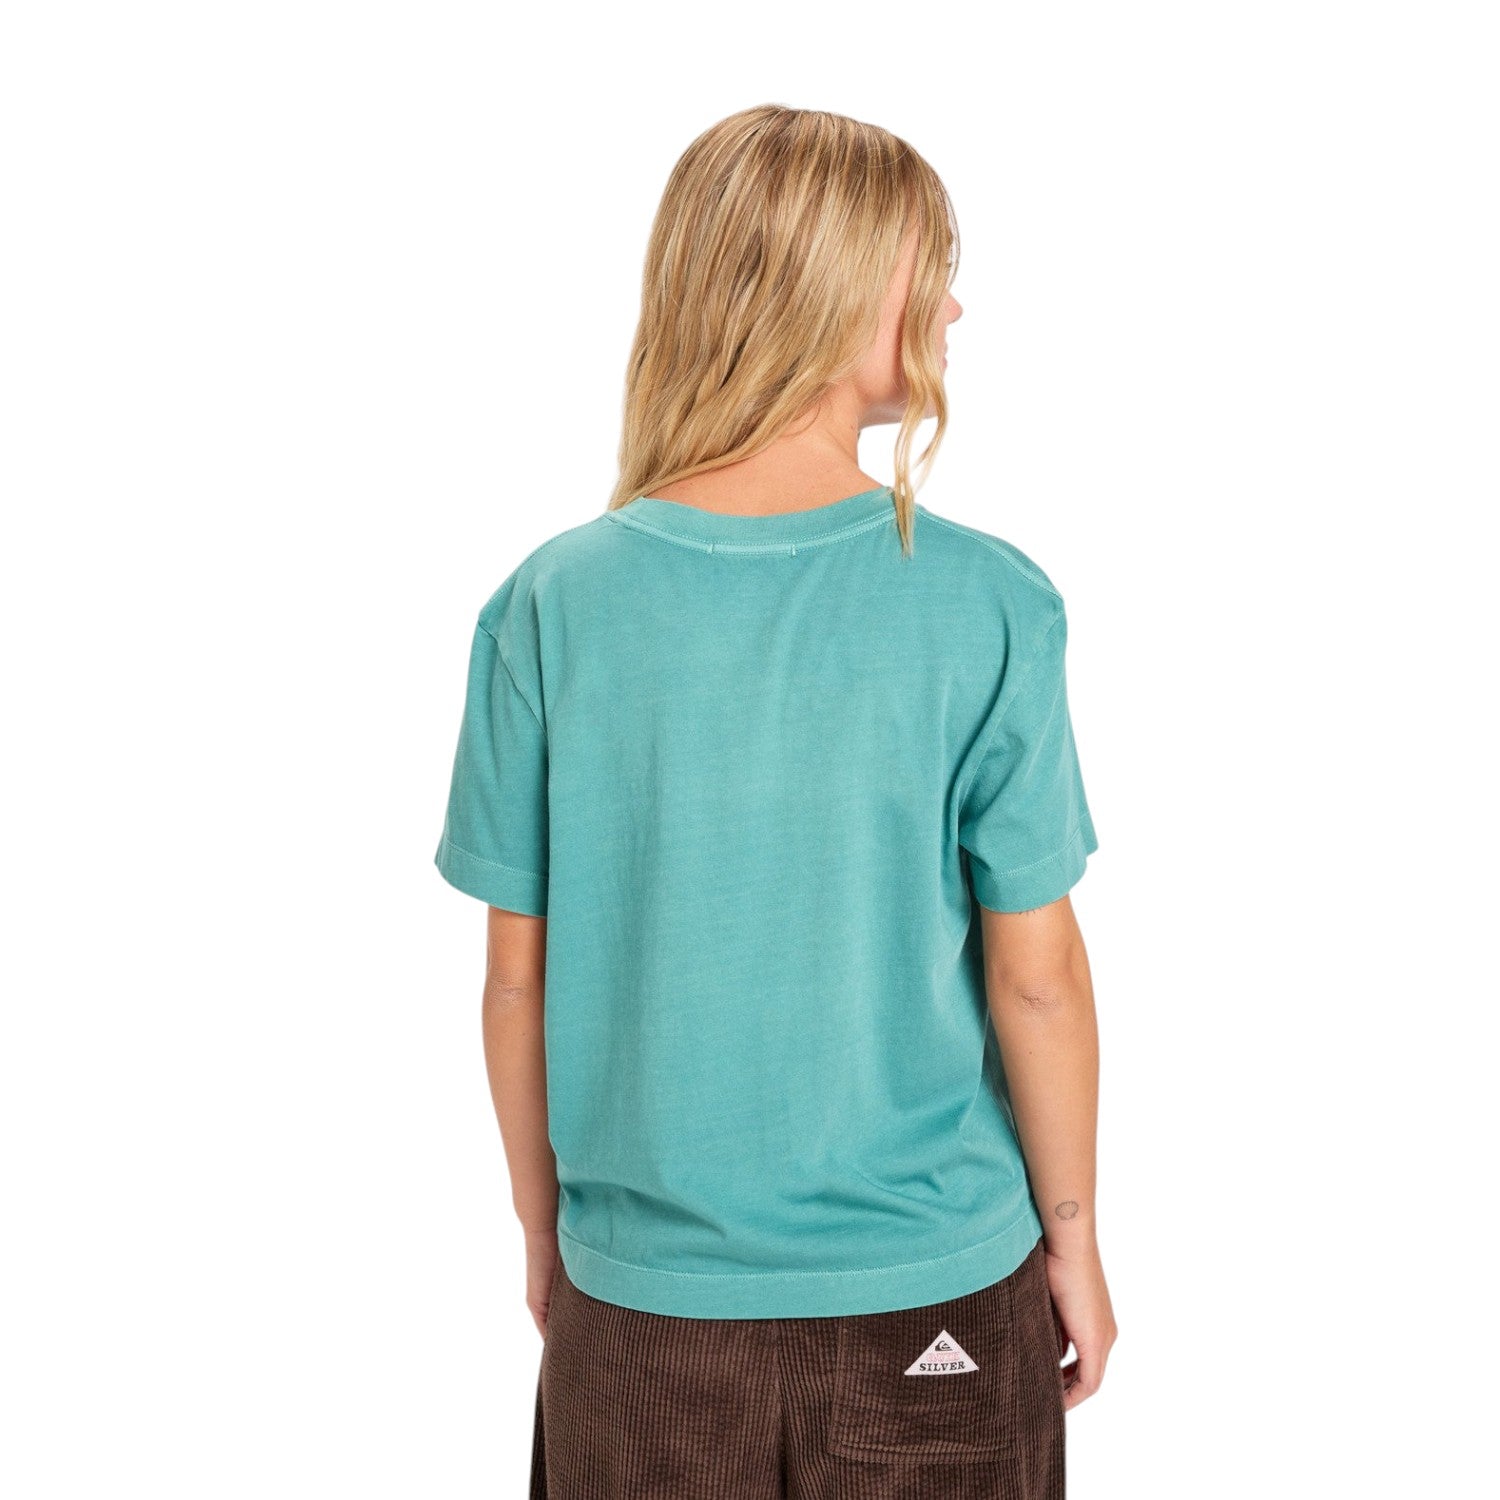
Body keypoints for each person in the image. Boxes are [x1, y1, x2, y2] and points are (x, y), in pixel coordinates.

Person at [434, 103, 1117, 1499]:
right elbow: (1035, 977)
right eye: (935, 271)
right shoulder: (989, 601)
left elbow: (517, 981)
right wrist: (1076, 1237)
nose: (956, 307)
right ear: (839, 288)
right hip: (933, 1291)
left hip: (642, 1314)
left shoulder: (551, 605)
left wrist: (543, 1233)